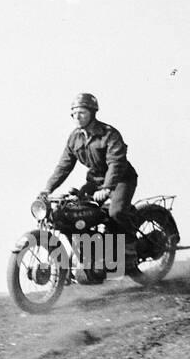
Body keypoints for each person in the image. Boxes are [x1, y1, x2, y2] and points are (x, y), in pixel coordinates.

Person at [40, 93, 140, 257]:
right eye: (74, 113)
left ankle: (129, 249)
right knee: (77, 210)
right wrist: (47, 189)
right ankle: (91, 254)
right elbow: (64, 166)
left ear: (92, 113)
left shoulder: (109, 133)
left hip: (121, 179)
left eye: (82, 112)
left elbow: (116, 162)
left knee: (116, 213)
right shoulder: (74, 138)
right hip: (96, 180)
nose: (77, 117)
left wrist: (107, 188)